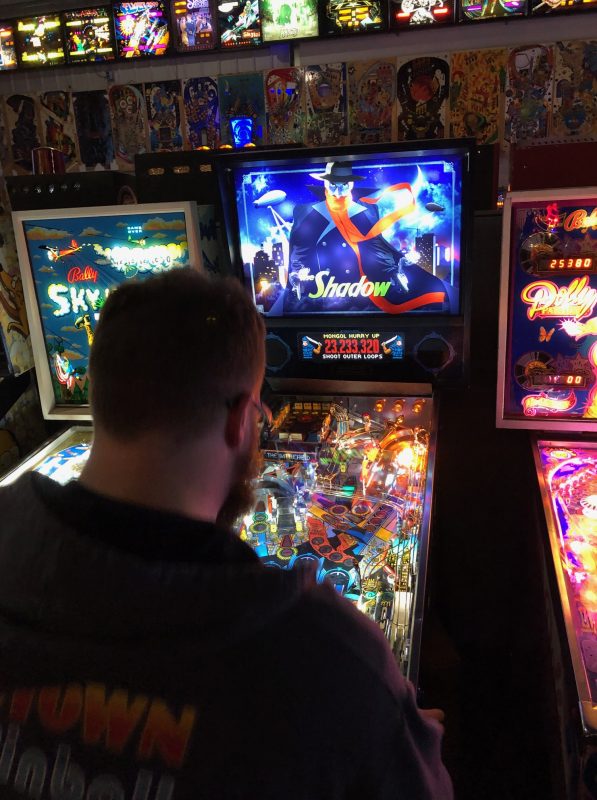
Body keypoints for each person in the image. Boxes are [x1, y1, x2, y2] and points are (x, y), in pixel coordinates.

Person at [0, 269, 452, 799]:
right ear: (241, 419)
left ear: (98, 396)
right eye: (260, 410)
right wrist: (387, 721)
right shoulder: (330, 656)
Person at [285, 160, 450, 315]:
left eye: (344, 185)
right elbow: (300, 249)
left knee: (432, 292)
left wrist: (393, 271)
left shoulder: (367, 210)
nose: (338, 192)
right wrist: (297, 273)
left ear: (351, 185)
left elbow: (376, 248)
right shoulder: (306, 211)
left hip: (364, 292)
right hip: (323, 295)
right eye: (333, 185)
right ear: (325, 184)